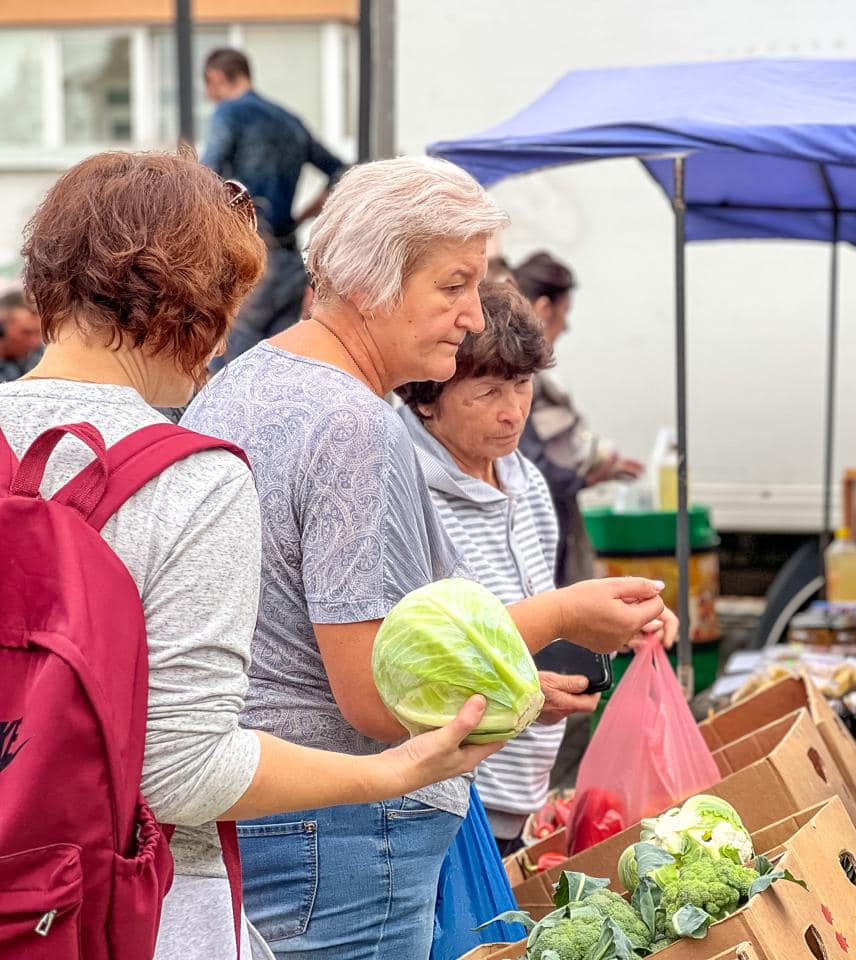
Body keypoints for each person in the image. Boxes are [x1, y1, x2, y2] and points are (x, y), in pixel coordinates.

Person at [3, 149, 504, 959]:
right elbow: (182, 769)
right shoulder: (186, 475)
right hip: (118, 901)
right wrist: (391, 774)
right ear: (196, 305)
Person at [182, 155, 675, 960]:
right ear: (373, 282)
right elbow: (377, 689)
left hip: (265, 821)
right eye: (453, 286)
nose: (475, 317)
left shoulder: (242, 382)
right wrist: (561, 612)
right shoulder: (355, 426)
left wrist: (509, 685)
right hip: (340, 839)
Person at [398, 280, 605, 854]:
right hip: (451, 802)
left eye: (521, 385)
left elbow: (536, 612)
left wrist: (617, 629)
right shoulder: (405, 487)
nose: (512, 411)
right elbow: (411, 663)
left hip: (524, 797)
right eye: (487, 391)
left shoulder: (524, 478)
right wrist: (520, 695)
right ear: (426, 396)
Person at [201, 48, 345, 367]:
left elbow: (203, 176)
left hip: (252, 259)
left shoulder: (229, 112)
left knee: (226, 363)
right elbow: (340, 172)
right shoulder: (288, 120)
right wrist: (302, 216)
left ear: (215, 78)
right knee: (276, 365)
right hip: (291, 261)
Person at [513, 251, 644, 585]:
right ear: (543, 309)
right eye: (564, 314)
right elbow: (532, 466)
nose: (566, 327)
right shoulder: (518, 375)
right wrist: (585, 479)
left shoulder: (529, 374)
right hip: (534, 531)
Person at [0, 289, 43, 382]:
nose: (34, 342)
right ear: (2, 328)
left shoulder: (39, 355)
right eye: (26, 333)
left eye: (38, 333)